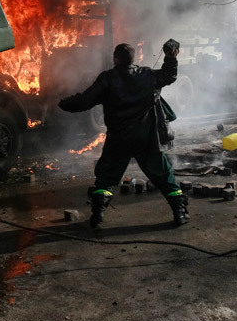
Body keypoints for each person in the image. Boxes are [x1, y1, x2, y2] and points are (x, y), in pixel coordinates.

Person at [58, 41, 189, 227]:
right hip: (146, 139)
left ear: (116, 59)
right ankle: (180, 213)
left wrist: (64, 103)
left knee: (106, 178)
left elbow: (84, 101)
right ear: (133, 58)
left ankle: (98, 215)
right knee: (164, 176)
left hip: (118, 139)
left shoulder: (108, 78)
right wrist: (171, 56)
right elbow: (169, 75)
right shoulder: (147, 75)